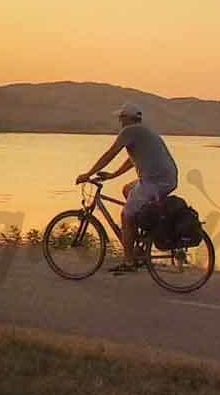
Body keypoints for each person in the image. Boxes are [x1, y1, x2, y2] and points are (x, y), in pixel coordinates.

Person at [76, 102, 179, 273]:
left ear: (126, 118)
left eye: (121, 118)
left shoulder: (130, 131)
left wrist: (88, 174)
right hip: (163, 179)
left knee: (126, 215)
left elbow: (110, 153)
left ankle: (129, 262)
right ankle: (139, 241)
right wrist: (112, 175)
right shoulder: (142, 131)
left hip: (156, 182)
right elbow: (133, 160)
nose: (120, 121)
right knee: (127, 189)